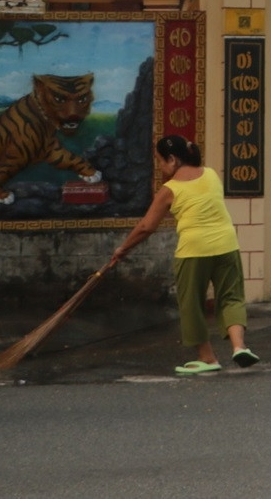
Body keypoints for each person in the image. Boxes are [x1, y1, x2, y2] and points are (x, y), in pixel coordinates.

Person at [109, 134, 259, 375]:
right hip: (227, 244)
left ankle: (208, 358)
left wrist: (122, 248)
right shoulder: (211, 174)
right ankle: (239, 346)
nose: (160, 167)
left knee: (192, 305)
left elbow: (146, 227)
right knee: (231, 298)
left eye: (160, 161)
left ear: (172, 159)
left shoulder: (170, 189)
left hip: (194, 250)